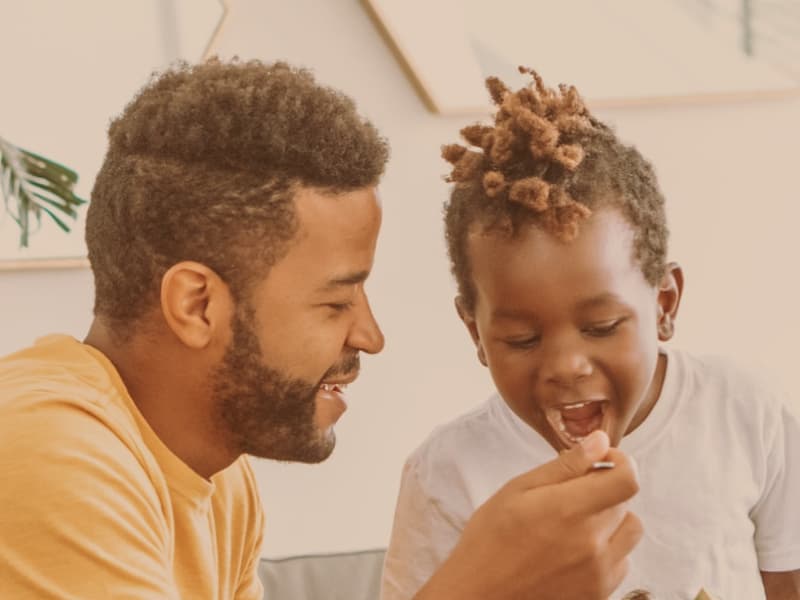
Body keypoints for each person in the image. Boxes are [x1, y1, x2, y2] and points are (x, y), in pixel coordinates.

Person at [0, 58, 641, 599]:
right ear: (196, 305)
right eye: (335, 303)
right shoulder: (43, 455)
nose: (369, 335)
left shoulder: (219, 479)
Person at [380, 68, 800, 600]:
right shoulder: (445, 475)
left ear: (664, 304)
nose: (566, 365)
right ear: (476, 333)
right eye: (521, 339)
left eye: (601, 327)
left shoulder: (745, 410)